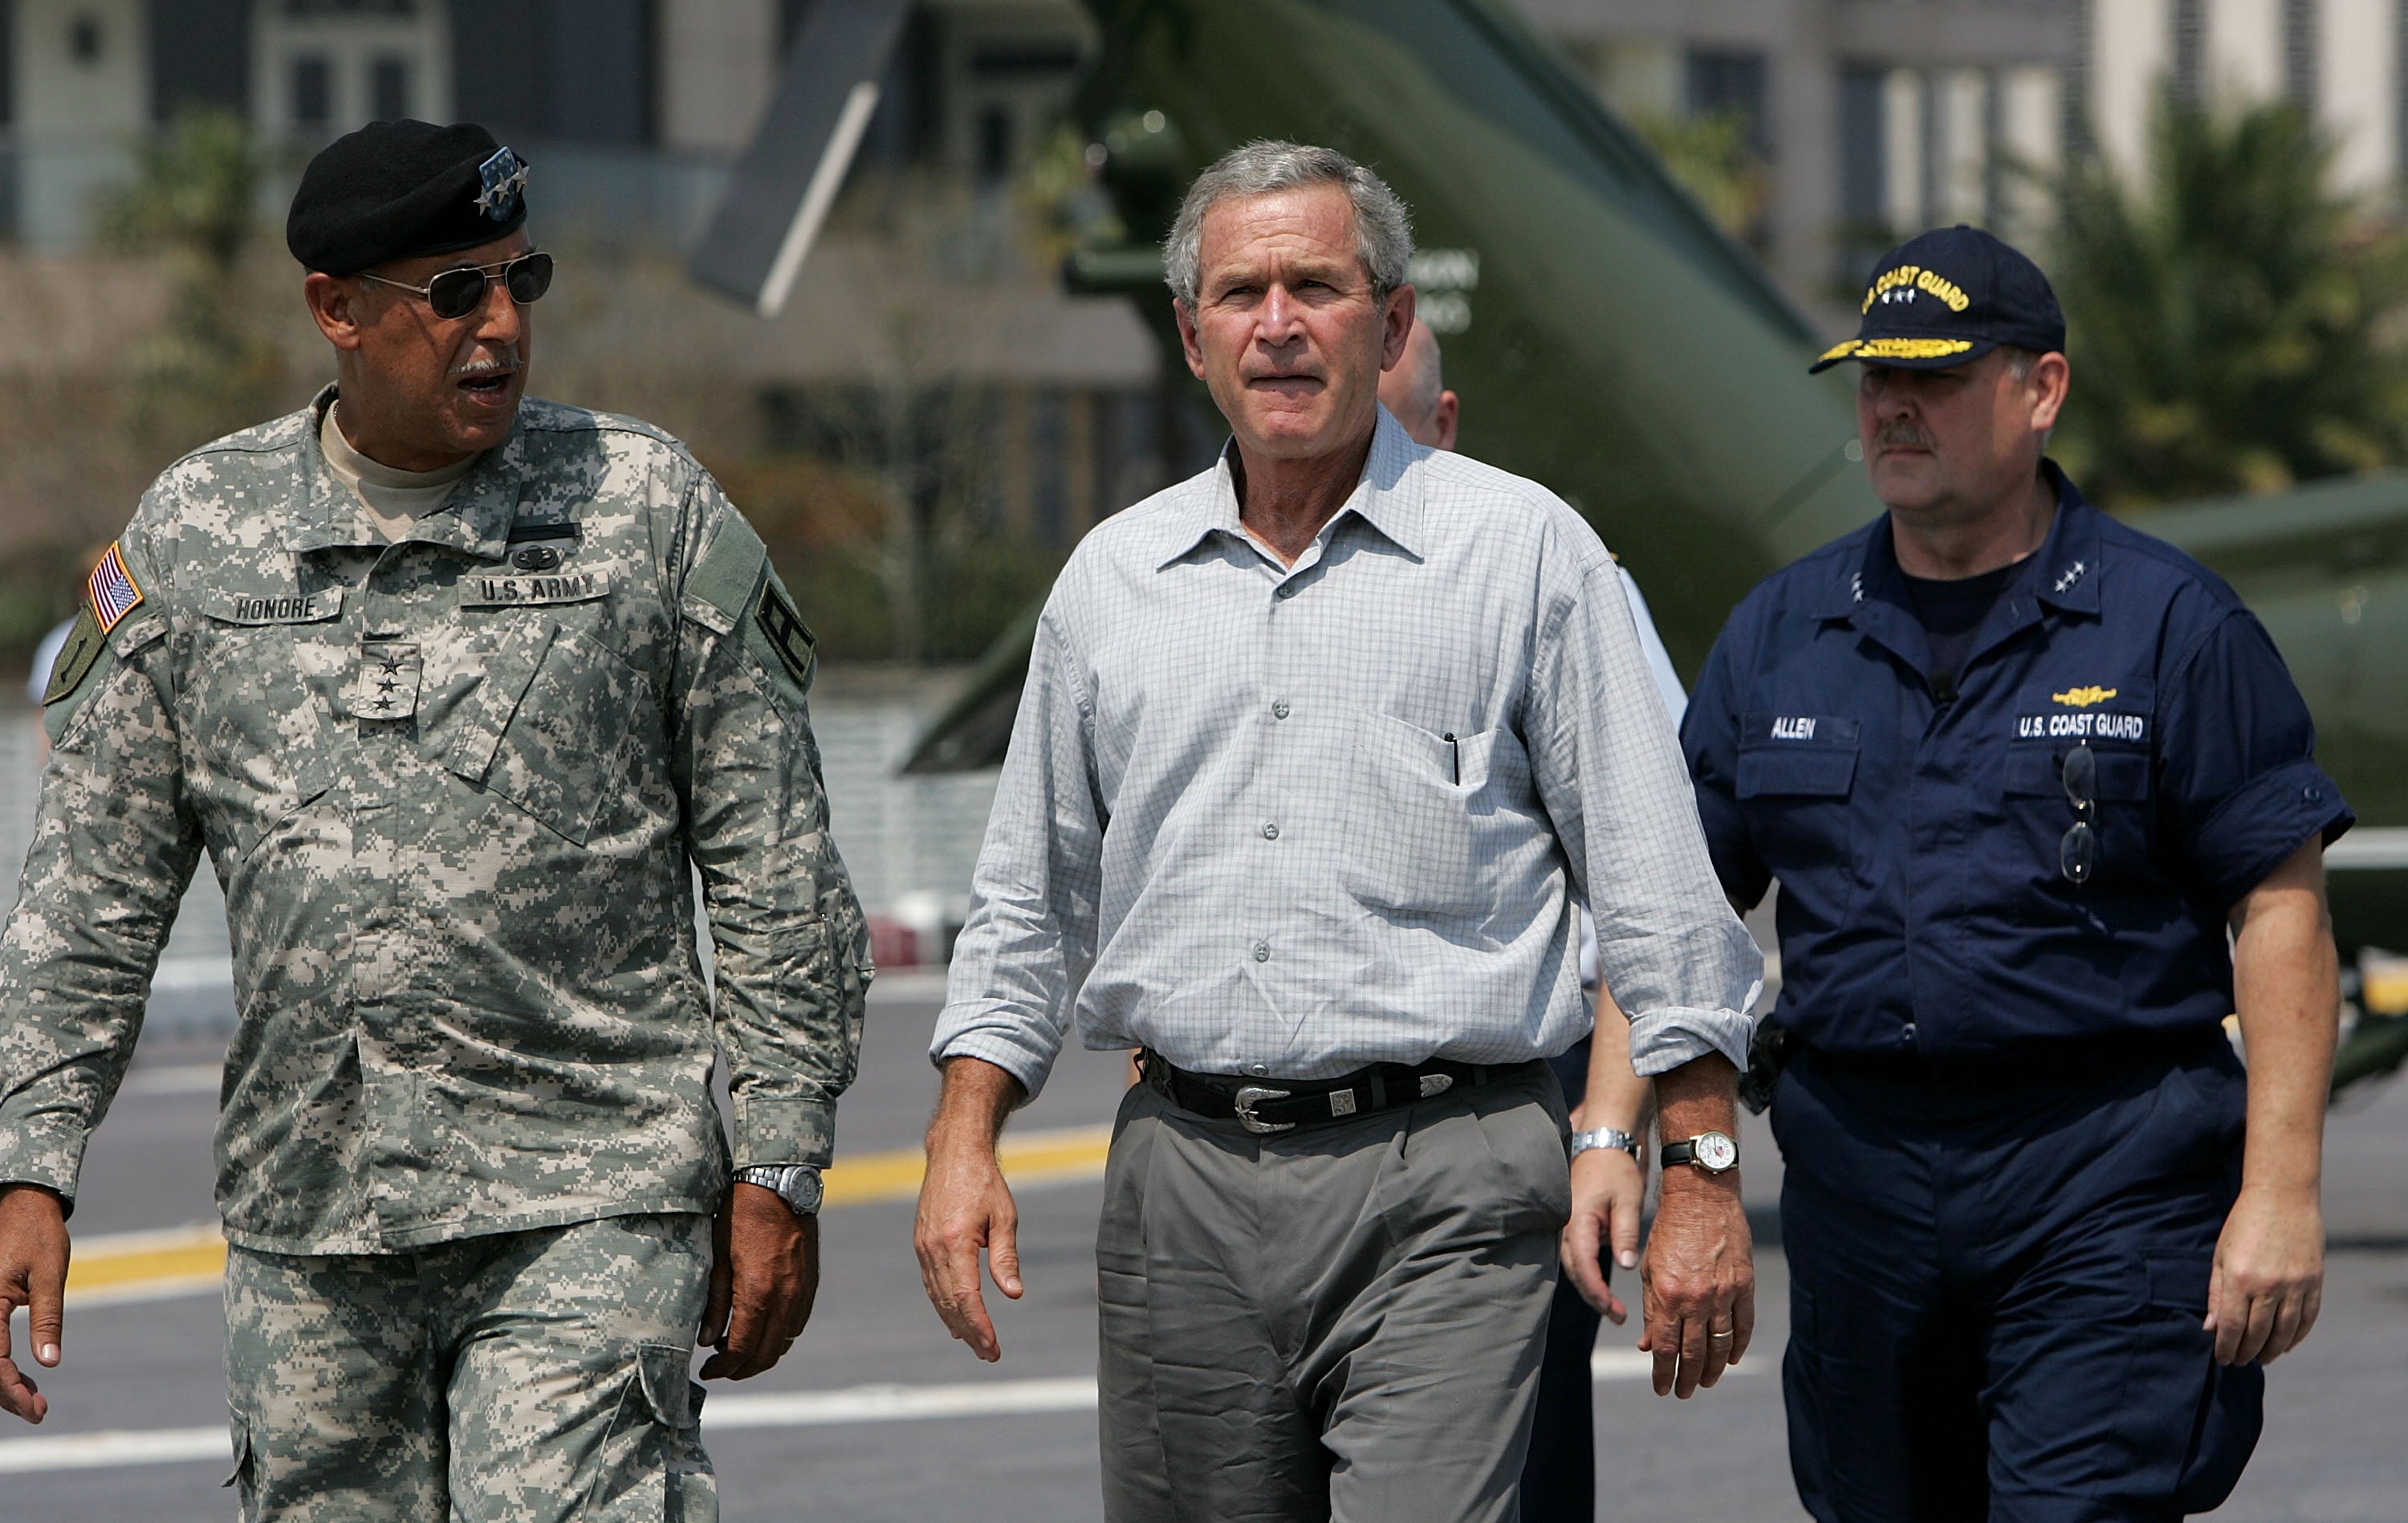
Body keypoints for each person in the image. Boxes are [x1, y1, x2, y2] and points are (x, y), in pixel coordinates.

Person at [0, 120, 871, 1521]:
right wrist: (28, 1162)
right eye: (452, 291)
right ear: (336, 309)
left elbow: (773, 862)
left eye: (521, 276)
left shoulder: (643, 508)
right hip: (313, 1219)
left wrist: (779, 1158)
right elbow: (88, 896)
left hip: (589, 1195)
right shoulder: (197, 536)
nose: (502, 324)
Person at [914, 140, 1763, 1522]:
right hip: (1180, 1182)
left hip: (1451, 1181)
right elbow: (1030, 898)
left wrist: (1703, 1171)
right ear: (1191, 339)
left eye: (1318, 284)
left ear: (1395, 324)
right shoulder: (1109, 585)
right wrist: (964, 1139)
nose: (1281, 322)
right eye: (1242, 293)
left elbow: (1663, 898)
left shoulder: (1528, 555)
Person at [1685, 224, 2351, 1521]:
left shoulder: (2173, 626)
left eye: (1932, 377)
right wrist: (1657, 1158)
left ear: (2040, 390)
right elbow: (1676, 908)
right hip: (1860, 1180)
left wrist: (2281, 1193)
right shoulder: (1781, 631)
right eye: (1876, 378)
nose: (1893, 405)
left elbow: (2280, 912)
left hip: (2103, 1177)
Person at [1377, 316, 1688, 1521]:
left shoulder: (1556, 582)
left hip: (1500, 1121)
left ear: (1444, 428)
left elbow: (1653, 890)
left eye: (1389, 422)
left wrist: (1618, 1132)